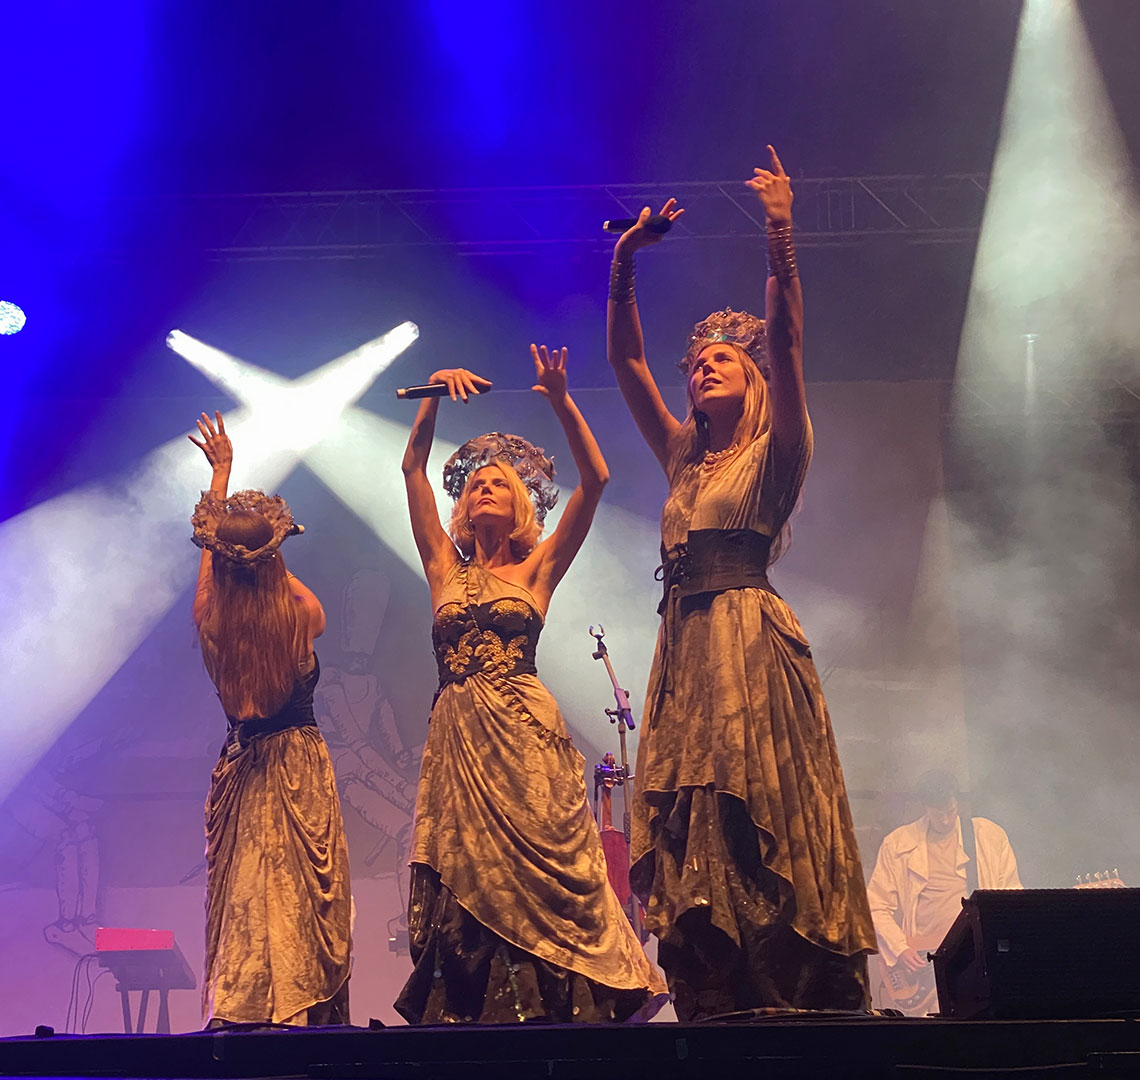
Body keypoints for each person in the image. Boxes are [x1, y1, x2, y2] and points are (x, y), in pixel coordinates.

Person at [605, 147, 876, 1019]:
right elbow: (626, 365)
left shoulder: (777, 451)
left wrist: (781, 231)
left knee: (755, 797)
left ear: (752, 378)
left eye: (723, 358)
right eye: (697, 363)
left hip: (748, 640)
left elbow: (787, 336)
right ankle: (713, 982)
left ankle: (785, 979)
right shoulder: (684, 458)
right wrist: (625, 260)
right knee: (692, 810)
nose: (704, 367)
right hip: (684, 648)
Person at [395, 345, 662, 1025]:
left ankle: (568, 1001)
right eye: (475, 484)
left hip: (524, 733)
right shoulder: (443, 567)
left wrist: (562, 400)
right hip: (460, 736)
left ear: (518, 503)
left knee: (548, 859)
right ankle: (476, 1007)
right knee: (469, 865)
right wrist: (432, 393)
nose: (484, 488)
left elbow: (595, 480)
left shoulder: (537, 569)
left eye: (498, 483)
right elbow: (413, 470)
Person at [188, 410, 353, 1026]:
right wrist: (268, 552)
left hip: (242, 764)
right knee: (297, 890)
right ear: (274, 560)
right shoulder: (301, 614)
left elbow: (212, 569)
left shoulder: (211, 620)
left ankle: (245, 1008)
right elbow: (292, 590)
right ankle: (302, 1012)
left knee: (246, 891)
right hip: (296, 763)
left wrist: (220, 478)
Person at [866, 769, 1021, 1015]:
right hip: (921, 962)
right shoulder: (898, 844)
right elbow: (876, 906)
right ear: (925, 807)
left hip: (972, 957)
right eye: (939, 815)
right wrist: (899, 949)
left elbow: (1011, 897)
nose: (947, 820)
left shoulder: (988, 837)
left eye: (951, 812)